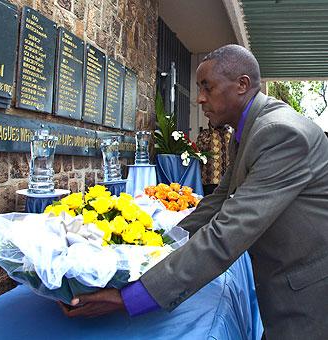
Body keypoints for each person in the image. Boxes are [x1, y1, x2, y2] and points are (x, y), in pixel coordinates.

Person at [59, 44, 328, 339]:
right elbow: (214, 204)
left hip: (308, 297)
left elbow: (229, 232)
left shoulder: (279, 133)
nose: (199, 98)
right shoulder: (249, 130)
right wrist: (155, 247)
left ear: (242, 85)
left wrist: (131, 298)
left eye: (207, 87)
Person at [196, 121, 232, 195]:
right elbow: (198, 154)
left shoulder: (230, 135)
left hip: (229, 181)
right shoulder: (206, 134)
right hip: (210, 180)